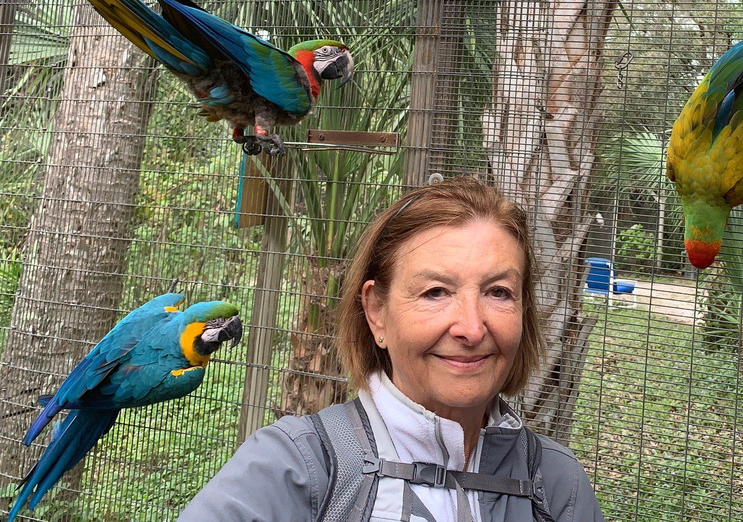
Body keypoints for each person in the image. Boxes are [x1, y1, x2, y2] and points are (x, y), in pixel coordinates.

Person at [178, 176, 604, 522]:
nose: (472, 328)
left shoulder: (556, 485)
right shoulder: (297, 469)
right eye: (436, 292)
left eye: (498, 292)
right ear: (376, 312)